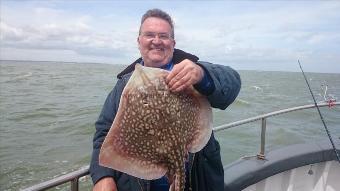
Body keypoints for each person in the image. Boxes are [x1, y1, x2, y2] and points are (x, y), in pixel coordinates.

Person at [90, 8, 241, 191]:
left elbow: (232, 83)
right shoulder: (124, 85)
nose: (156, 41)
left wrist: (202, 75)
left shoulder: (191, 72)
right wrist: (103, 176)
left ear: (173, 42)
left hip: (196, 180)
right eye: (149, 35)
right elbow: (104, 133)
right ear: (139, 41)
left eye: (163, 36)